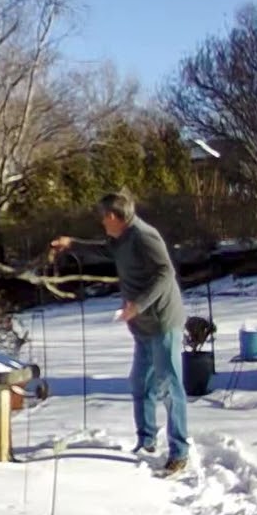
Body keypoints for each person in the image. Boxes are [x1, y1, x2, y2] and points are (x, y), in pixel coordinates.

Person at [50, 191, 189, 475]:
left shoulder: (144, 236)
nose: (102, 223)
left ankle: (180, 452)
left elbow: (165, 274)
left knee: (169, 387)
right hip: (142, 326)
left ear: (113, 216)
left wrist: (138, 305)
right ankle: (147, 442)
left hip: (162, 322)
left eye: (103, 218)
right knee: (141, 383)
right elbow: (105, 250)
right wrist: (72, 244)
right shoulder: (121, 238)